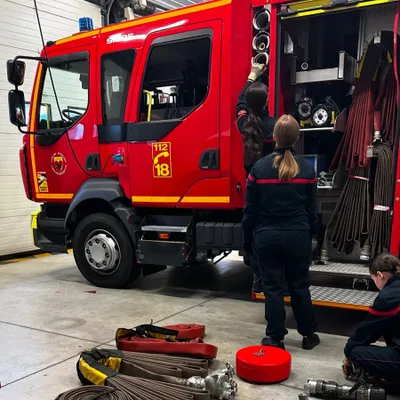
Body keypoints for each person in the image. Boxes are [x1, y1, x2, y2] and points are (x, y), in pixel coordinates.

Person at [242, 114, 319, 350]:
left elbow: (249, 212)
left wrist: (247, 243)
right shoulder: (307, 169)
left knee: (273, 289)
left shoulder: (259, 168)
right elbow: (312, 211)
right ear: (296, 138)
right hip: (298, 236)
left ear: (273, 136)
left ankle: (275, 338)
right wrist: (313, 238)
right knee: (299, 286)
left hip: (268, 238)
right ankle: (308, 335)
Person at [236, 59, 277, 295]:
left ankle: (259, 279)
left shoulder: (244, 124)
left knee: (256, 234)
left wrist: (252, 75)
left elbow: (240, 102)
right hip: (275, 193)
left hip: (255, 192)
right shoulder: (276, 126)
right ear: (267, 102)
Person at [343, 253, 400, 383]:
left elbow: (366, 332)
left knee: (357, 353)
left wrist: (348, 352)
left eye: (374, 280)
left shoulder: (388, 297)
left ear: (380, 275)